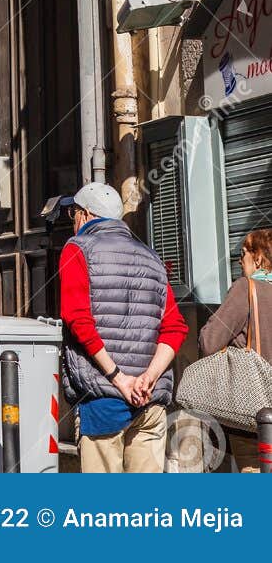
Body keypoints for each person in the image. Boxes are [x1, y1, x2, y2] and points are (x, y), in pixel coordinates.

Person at [59, 181, 188, 473]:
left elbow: (78, 319)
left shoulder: (78, 249)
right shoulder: (151, 257)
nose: (73, 222)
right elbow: (176, 327)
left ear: (86, 215)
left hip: (104, 398)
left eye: (73, 214)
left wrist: (119, 379)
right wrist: (148, 378)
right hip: (151, 401)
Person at [198, 226, 272, 470]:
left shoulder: (246, 289)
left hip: (254, 413)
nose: (240, 261)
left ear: (258, 257)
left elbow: (209, 342)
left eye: (243, 254)